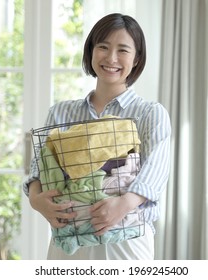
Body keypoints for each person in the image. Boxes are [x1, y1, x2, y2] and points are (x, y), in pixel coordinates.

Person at [23, 13, 171, 260]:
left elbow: (156, 171)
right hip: (69, 238)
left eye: (123, 50)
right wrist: (37, 201)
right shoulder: (61, 112)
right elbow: (38, 170)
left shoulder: (149, 113)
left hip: (126, 240)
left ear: (136, 59)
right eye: (103, 47)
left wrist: (122, 205)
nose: (111, 58)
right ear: (91, 51)